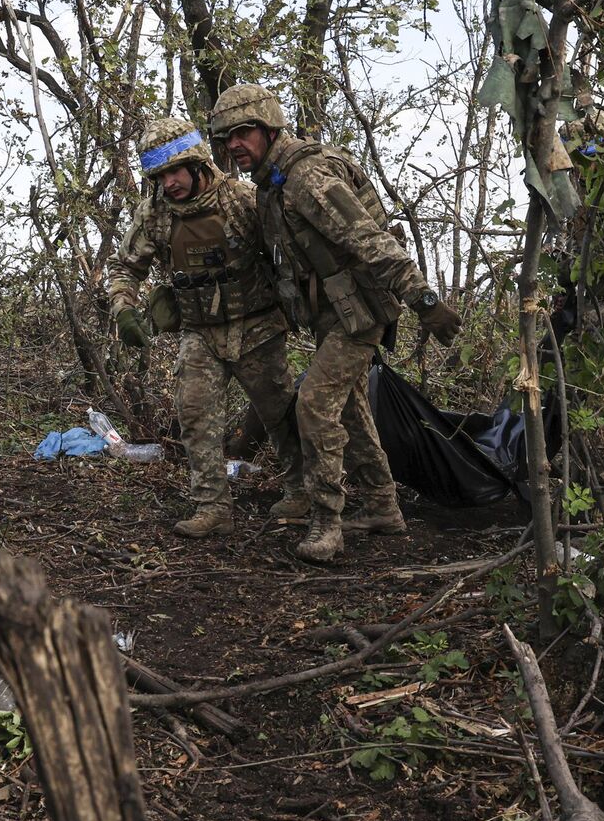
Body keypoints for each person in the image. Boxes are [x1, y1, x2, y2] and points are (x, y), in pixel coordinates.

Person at [207, 85, 462, 562]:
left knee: (315, 403)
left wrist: (424, 299)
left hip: (360, 309)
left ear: (268, 127)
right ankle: (384, 508)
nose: (235, 145)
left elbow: (371, 241)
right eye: (226, 139)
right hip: (333, 310)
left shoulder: (307, 177)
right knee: (350, 408)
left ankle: (327, 521)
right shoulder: (271, 184)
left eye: (243, 133)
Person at [105, 117, 303, 538]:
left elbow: (288, 249)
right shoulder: (155, 214)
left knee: (281, 415)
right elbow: (125, 267)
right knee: (194, 415)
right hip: (200, 331)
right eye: (160, 176)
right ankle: (212, 507)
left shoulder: (241, 200)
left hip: (258, 327)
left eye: (176, 171)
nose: (170, 183)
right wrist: (124, 308)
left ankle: (301, 492)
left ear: (196, 164)